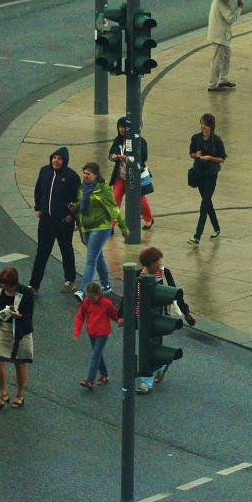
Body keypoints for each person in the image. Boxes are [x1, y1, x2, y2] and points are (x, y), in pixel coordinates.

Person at [134, 246, 192, 392]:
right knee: (148, 346)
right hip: (141, 316)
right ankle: (162, 364)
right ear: (148, 263)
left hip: (158, 318)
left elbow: (175, 294)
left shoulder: (164, 273)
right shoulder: (137, 275)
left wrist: (186, 313)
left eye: (159, 260)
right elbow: (129, 296)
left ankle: (146, 383)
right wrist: (122, 316)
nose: (159, 263)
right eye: (156, 261)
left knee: (149, 346)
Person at [70, 162, 128, 300]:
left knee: (90, 260)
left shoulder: (103, 189)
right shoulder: (82, 188)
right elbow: (82, 203)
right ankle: (106, 285)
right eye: (84, 173)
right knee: (98, 255)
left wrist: (123, 227)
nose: (85, 176)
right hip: (87, 227)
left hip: (101, 227)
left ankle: (83, 291)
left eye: (88, 173)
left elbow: (114, 208)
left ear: (96, 175)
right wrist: (75, 206)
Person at [30, 147, 80, 293]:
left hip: (63, 222)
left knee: (66, 250)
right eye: (54, 157)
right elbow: (38, 190)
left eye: (59, 159)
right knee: (42, 253)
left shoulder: (72, 176)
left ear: (64, 161)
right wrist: (38, 208)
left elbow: (78, 198)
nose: (56, 161)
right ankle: (34, 285)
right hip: (46, 220)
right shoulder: (45, 171)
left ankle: (70, 280)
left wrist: (72, 216)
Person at [0, 268, 34, 410]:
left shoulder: (26, 293)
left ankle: (19, 394)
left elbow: (28, 316)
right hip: (3, 328)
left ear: (14, 284)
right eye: (2, 283)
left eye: (6, 284)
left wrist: (19, 316)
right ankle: (4, 393)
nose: (3, 286)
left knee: (19, 362)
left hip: (20, 331)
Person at [108, 116, 154, 231]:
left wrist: (128, 158)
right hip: (121, 176)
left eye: (124, 127)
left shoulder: (140, 141)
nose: (122, 129)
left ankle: (148, 219)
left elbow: (143, 157)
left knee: (140, 199)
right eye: (119, 127)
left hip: (134, 176)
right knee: (115, 200)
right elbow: (111, 154)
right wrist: (114, 157)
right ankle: (111, 226)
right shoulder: (118, 140)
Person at [189, 113, 226, 244]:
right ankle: (216, 227)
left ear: (210, 126)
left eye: (205, 124)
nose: (203, 126)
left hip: (211, 175)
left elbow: (222, 158)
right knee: (207, 202)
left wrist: (209, 157)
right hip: (199, 173)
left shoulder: (216, 140)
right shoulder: (196, 138)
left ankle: (197, 235)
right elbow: (191, 153)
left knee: (204, 204)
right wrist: (196, 156)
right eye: (201, 123)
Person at [74, 282, 120, 389]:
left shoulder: (106, 303)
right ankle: (104, 375)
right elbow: (80, 316)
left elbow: (114, 314)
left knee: (95, 355)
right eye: (88, 297)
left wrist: (120, 320)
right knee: (98, 354)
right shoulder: (86, 303)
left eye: (92, 297)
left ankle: (90, 380)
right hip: (92, 333)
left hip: (102, 333)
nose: (90, 299)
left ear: (99, 294)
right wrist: (77, 330)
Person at [207, 0, 241, 92]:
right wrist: (239, 8)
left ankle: (223, 79)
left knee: (227, 56)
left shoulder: (221, 1)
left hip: (222, 35)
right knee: (217, 60)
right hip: (219, 36)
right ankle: (212, 85)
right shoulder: (221, 2)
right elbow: (230, 18)